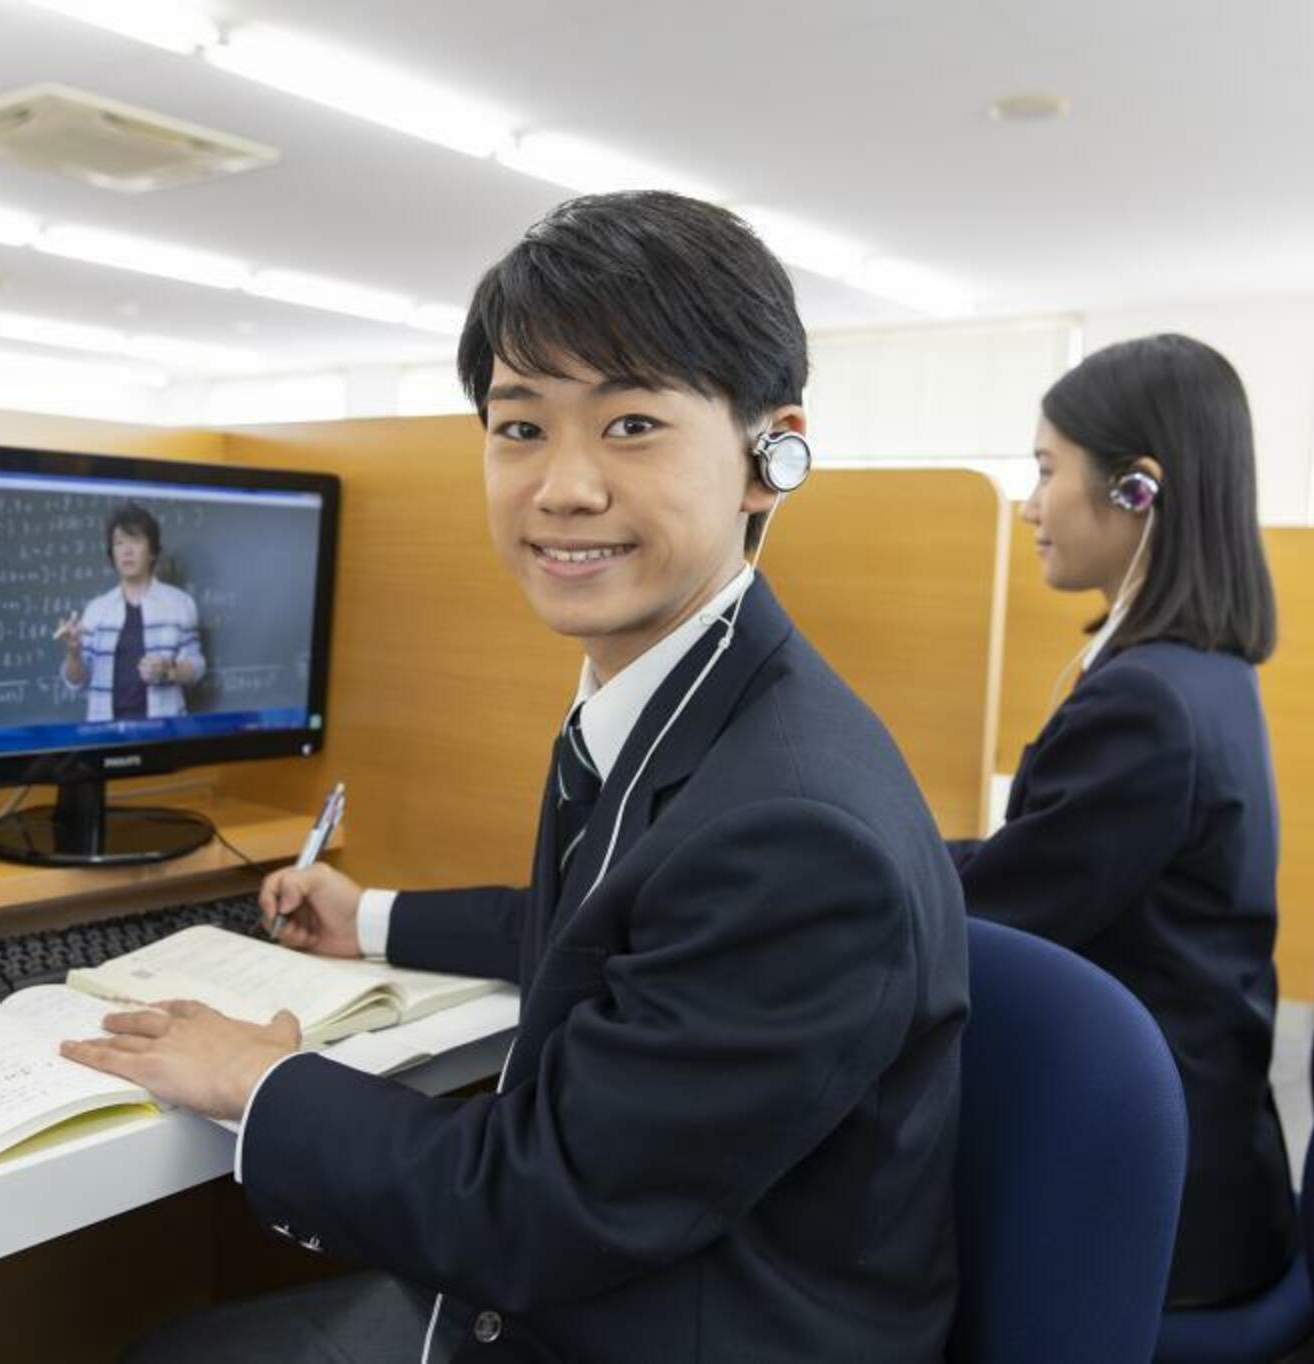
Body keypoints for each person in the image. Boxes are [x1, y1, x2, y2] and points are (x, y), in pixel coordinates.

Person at [63, 191, 968, 1362]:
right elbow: (610, 928)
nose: (562, 487)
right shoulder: (690, 695)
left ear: (767, 453)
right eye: (520, 426)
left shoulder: (795, 829)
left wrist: (262, 1076)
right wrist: (370, 915)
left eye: (631, 423)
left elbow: (534, 1208)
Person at [950, 333, 1296, 1308]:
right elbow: (1031, 868)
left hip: (1150, 1201)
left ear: (1137, 489)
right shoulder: (1203, 673)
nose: (1027, 504)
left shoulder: (1144, 704)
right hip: (1212, 1153)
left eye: (1045, 469)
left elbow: (988, 921)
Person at [57, 502, 205, 722]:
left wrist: (169, 670)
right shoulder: (97, 610)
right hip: (105, 734)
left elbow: (197, 667)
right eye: (119, 543)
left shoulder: (179, 604)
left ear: (152, 551)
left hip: (164, 732)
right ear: (112, 553)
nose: (127, 551)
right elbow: (76, 681)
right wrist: (73, 653)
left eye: (135, 541)